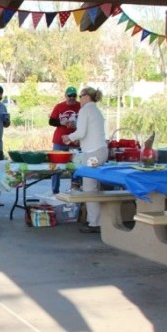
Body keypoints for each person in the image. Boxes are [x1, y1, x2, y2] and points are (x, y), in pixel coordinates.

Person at [63, 86, 108, 234]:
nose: (79, 99)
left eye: (80, 96)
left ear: (86, 96)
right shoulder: (96, 111)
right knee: (95, 186)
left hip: (92, 154)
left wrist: (68, 137)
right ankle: (96, 219)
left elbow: (81, 132)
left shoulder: (85, 110)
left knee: (89, 188)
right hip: (101, 151)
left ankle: (95, 222)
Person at [48, 86, 80, 194]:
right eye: (69, 95)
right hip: (59, 141)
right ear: (65, 96)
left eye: (74, 95)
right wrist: (61, 122)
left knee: (75, 166)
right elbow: (51, 121)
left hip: (74, 141)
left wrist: (77, 125)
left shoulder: (80, 106)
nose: (71, 98)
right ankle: (55, 191)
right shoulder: (59, 106)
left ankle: (74, 190)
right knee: (56, 166)